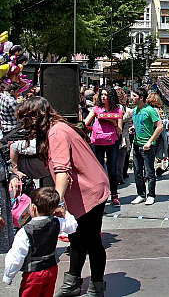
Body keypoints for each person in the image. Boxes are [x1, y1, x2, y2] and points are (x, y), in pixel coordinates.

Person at [16, 97, 110, 297]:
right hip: (85, 187)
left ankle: (96, 286)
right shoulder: (57, 127)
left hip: (90, 189)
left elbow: (61, 171)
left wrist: (54, 204)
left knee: (91, 239)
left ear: (34, 118)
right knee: (76, 237)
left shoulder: (56, 132)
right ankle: (73, 282)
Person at [3, 188, 78, 296]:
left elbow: (16, 255)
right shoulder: (57, 223)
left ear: (33, 207)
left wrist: (8, 275)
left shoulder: (26, 231)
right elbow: (72, 226)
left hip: (33, 273)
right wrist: (66, 214)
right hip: (51, 269)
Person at [84, 86, 122, 207]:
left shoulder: (117, 110)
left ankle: (114, 195)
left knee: (112, 170)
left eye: (106, 95)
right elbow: (85, 123)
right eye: (102, 95)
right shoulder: (96, 109)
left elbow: (119, 131)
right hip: (97, 142)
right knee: (99, 170)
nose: (103, 97)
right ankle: (100, 196)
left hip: (112, 142)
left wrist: (113, 122)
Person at [130, 87, 163, 205]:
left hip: (148, 146)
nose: (132, 98)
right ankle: (141, 194)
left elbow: (159, 126)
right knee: (137, 172)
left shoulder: (150, 110)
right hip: (136, 144)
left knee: (149, 172)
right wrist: (133, 129)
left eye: (134, 96)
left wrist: (150, 141)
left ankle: (151, 195)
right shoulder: (134, 111)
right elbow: (139, 125)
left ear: (141, 98)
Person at [115, 88, 133, 185]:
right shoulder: (120, 107)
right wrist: (128, 114)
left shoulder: (114, 106)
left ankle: (118, 175)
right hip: (122, 135)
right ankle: (119, 177)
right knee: (121, 156)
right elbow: (121, 119)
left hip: (118, 134)